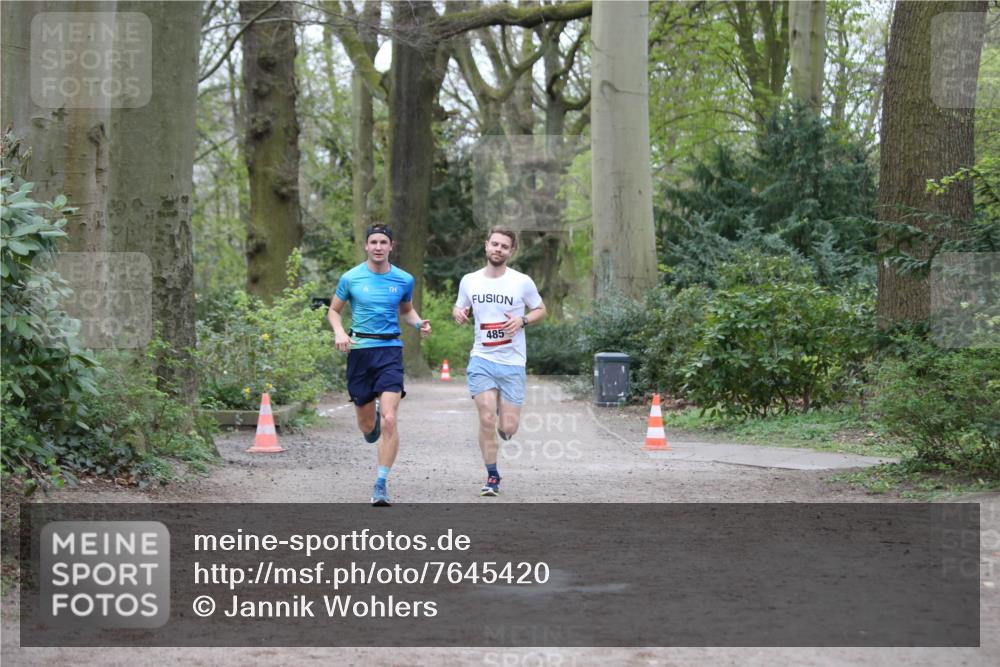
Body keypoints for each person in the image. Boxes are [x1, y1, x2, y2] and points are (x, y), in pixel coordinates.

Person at [328, 223, 431, 506]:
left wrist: (419, 323)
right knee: (367, 426)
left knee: (390, 419)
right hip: (360, 352)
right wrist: (340, 332)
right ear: (366, 246)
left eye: (383, 242)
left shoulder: (403, 279)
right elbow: (333, 311)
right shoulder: (350, 278)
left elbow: (406, 311)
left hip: (390, 351)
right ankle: (369, 419)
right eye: (373, 242)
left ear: (391, 246)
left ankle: (381, 483)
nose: (377, 247)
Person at [452, 226, 546, 496]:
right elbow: (460, 305)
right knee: (486, 416)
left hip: (513, 362)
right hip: (482, 358)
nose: (498, 249)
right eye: (494, 244)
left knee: (508, 426)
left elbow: (541, 309)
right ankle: (492, 475)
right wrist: (458, 312)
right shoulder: (470, 280)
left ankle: (505, 431)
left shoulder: (522, 281)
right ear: (486, 245)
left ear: (511, 251)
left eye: (504, 246)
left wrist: (523, 319)